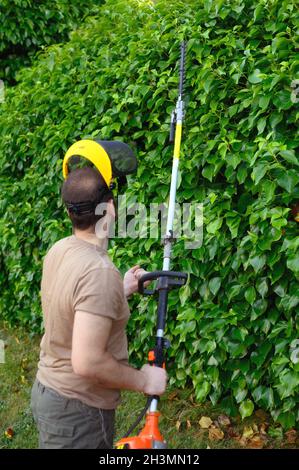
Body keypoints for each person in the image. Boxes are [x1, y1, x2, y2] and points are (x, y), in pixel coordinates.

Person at [31, 166, 167, 449]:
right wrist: (145, 380)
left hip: (50, 391)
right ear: (110, 208)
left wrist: (121, 289)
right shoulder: (98, 271)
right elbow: (87, 361)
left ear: (70, 212)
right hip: (79, 412)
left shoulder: (61, 249)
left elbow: (74, 303)